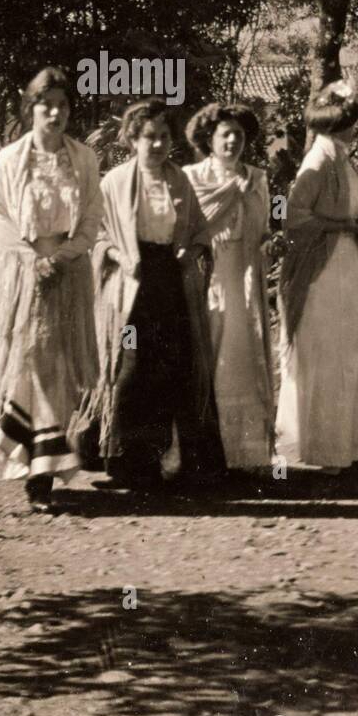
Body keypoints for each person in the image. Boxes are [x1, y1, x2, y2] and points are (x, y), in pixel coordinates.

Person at [0, 67, 102, 511]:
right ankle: (33, 468)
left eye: (64, 105)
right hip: (25, 277)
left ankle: (44, 470)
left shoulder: (84, 159)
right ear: (31, 108)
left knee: (58, 369)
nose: (55, 112)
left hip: (68, 274)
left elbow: (91, 219)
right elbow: (0, 221)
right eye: (46, 103)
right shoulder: (10, 160)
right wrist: (34, 261)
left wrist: (64, 257)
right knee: (28, 364)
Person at [91, 99, 225, 491]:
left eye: (164, 137)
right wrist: (117, 255)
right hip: (131, 284)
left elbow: (201, 232)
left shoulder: (180, 181)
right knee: (132, 369)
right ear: (133, 139)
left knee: (173, 369)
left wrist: (192, 251)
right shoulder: (113, 182)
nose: (157, 145)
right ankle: (130, 464)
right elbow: (96, 235)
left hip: (170, 280)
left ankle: (175, 463)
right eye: (149, 137)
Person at [275, 80, 358, 472]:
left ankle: (352, 443)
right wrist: (341, 227)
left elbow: (350, 207)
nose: (352, 130)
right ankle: (325, 447)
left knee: (357, 344)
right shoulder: (318, 161)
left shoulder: (341, 158)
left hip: (350, 263)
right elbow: (295, 217)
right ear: (331, 126)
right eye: (347, 124)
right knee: (330, 351)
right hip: (323, 269)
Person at [183, 102, 275, 473]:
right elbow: (187, 228)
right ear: (209, 139)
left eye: (239, 134)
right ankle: (201, 452)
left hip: (244, 275)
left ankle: (243, 453)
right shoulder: (192, 178)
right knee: (206, 351)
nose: (233, 141)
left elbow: (264, 227)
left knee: (239, 354)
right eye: (225, 134)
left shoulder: (258, 178)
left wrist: (270, 243)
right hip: (207, 271)